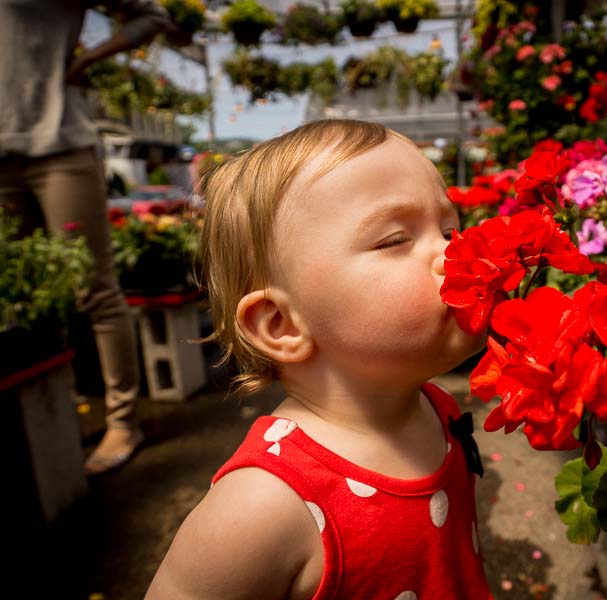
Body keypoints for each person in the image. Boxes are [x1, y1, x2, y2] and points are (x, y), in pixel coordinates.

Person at [146, 120, 492, 599]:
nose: (454, 252)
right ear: (281, 325)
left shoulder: (439, 409)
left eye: (451, 228)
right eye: (395, 239)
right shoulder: (262, 507)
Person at [0, 0, 170, 474]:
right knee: (32, 296)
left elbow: (151, 15)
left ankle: (122, 418)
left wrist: (84, 60)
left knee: (94, 288)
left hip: (58, 141)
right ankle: (59, 409)